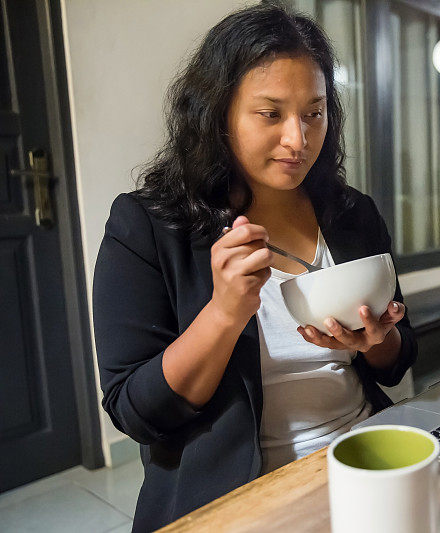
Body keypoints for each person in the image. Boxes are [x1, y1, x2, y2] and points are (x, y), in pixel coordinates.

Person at [92, 4, 417, 531]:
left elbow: (399, 359)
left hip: (363, 456)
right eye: (271, 114)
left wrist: (376, 339)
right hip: (243, 491)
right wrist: (223, 314)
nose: (299, 139)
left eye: (314, 112)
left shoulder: (352, 213)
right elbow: (136, 412)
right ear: (218, 115)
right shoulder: (148, 227)